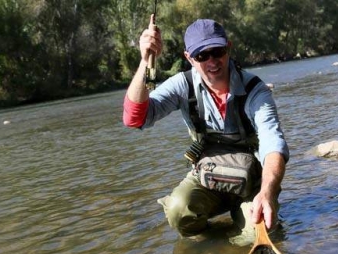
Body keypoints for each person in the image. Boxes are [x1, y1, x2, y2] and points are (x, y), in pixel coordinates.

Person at [123, 18, 289, 239]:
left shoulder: (255, 91)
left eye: (217, 51)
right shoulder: (182, 86)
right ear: (189, 58)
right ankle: (214, 246)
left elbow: (273, 144)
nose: (212, 61)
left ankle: (238, 236)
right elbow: (136, 118)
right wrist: (145, 61)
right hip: (209, 177)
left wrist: (266, 194)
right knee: (178, 211)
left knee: (256, 235)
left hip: (253, 183)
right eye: (202, 55)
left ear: (228, 48)